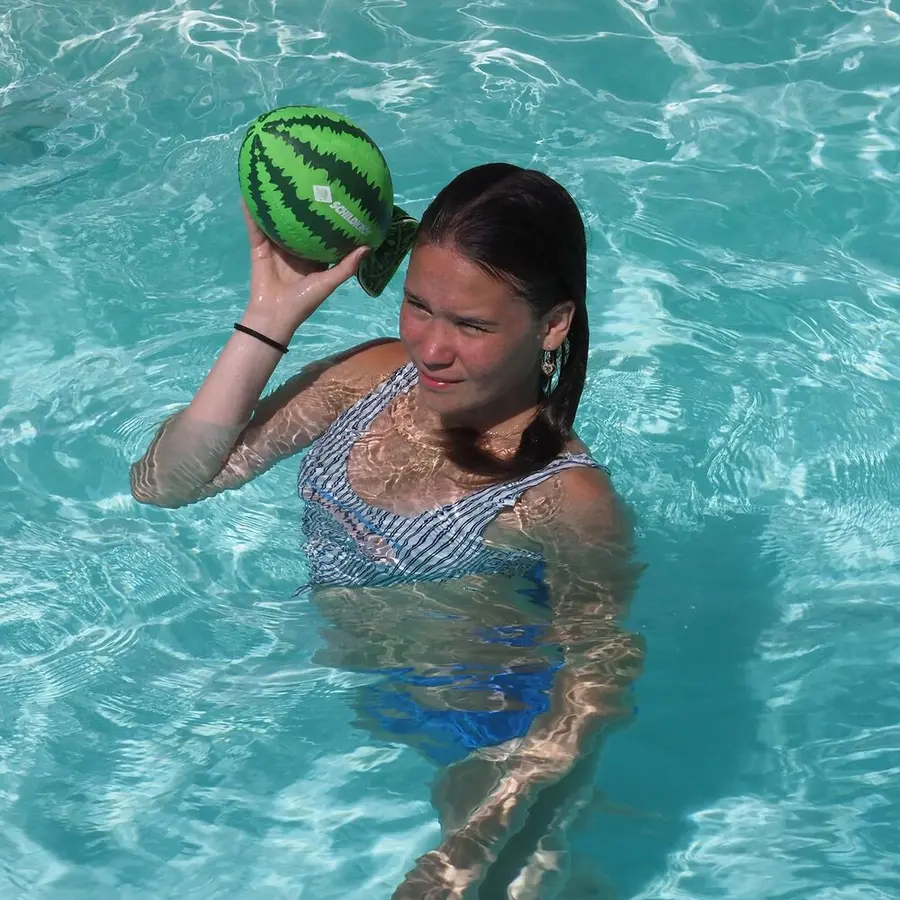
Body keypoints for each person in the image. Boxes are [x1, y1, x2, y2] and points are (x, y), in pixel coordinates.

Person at [131, 162, 645, 899]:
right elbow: (165, 485)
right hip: (368, 684)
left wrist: (474, 841)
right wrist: (269, 319)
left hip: (480, 723)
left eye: (471, 325)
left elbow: (601, 673)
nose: (431, 348)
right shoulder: (374, 377)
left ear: (553, 324)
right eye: (418, 305)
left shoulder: (563, 498)